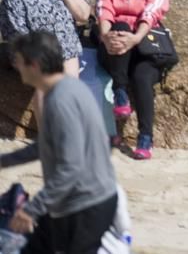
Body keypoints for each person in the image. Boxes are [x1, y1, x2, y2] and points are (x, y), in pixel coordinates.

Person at [0, 32, 119, 253]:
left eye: (18, 61)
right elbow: (46, 145)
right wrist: (5, 161)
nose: (16, 67)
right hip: (67, 202)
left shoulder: (61, 100)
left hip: (85, 206)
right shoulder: (67, 89)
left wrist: (31, 209)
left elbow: (71, 168)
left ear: (34, 64)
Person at [95, 0, 171, 160]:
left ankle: (145, 137)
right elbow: (103, 12)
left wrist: (135, 38)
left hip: (144, 44)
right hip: (114, 47)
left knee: (142, 77)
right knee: (118, 26)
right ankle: (119, 90)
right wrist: (106, 37)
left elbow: (152, 12)